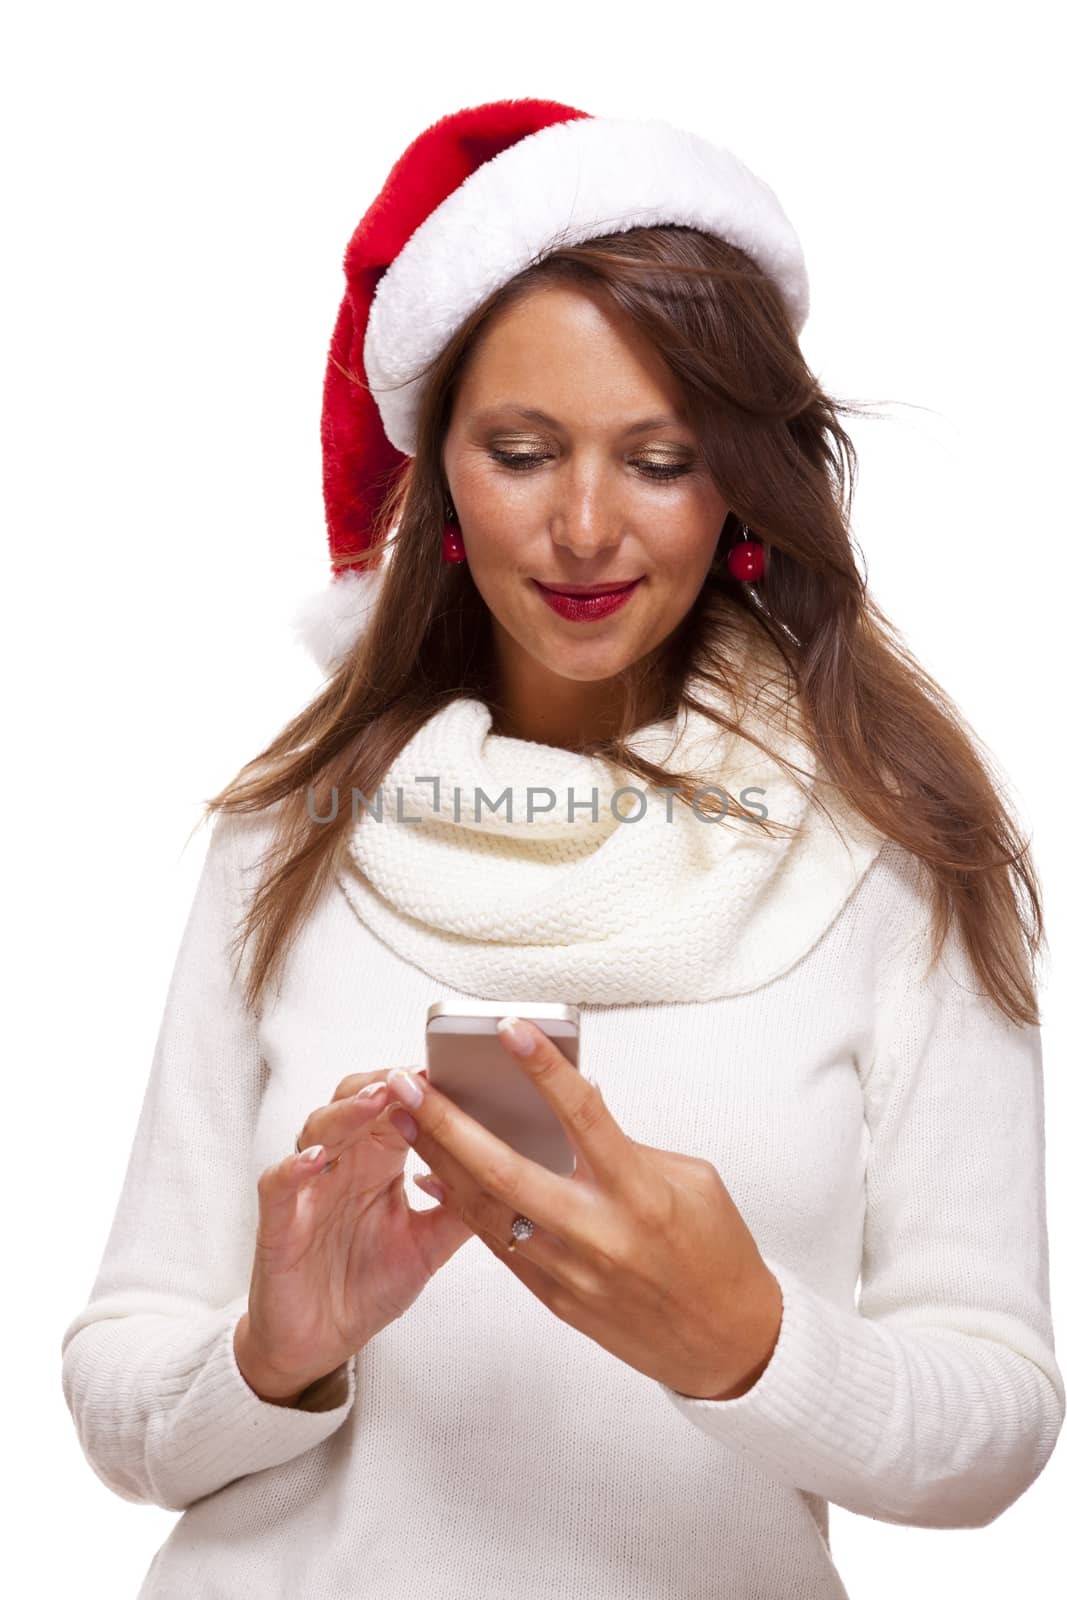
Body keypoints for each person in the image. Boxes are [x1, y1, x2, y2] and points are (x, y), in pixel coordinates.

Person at [60, 98, 1063, 1599]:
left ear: (741, 486)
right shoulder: (290, 837)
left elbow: (995, 1425)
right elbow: (120, 1399)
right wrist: (273, 1357)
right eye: (522, 450)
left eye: (659, 460)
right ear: (440, 479)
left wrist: (751, 1342)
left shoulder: (896, 847)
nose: (586, 526)